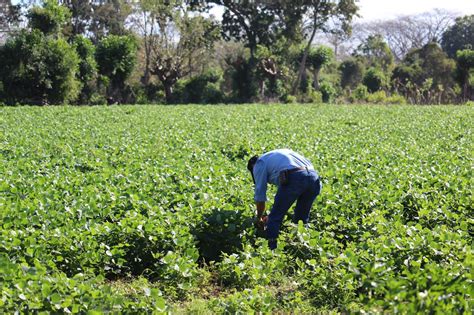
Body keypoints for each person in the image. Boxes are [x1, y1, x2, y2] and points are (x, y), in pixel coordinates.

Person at [247, 149, 322, 249]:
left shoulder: (258, 164)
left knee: (274, 218)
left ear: (252, 167)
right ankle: (304, 247)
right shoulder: (276, 154)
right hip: (314, 177)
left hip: (295, 176)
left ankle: (271, 250)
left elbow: (260, 196)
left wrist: (259, 217)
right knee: (301, 219)